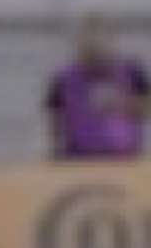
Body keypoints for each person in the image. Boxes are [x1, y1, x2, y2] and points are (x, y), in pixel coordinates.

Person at [44, 15, 150, 160]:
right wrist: (54, 156)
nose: (95, 54)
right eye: (89, 47)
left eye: (100, 45)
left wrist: (123, 103)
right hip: (77, 159)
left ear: (112, 42)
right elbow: (54, 122)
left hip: (125, 160)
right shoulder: (63, 79)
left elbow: (146, 110)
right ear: (79, 45)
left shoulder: (132, 72)